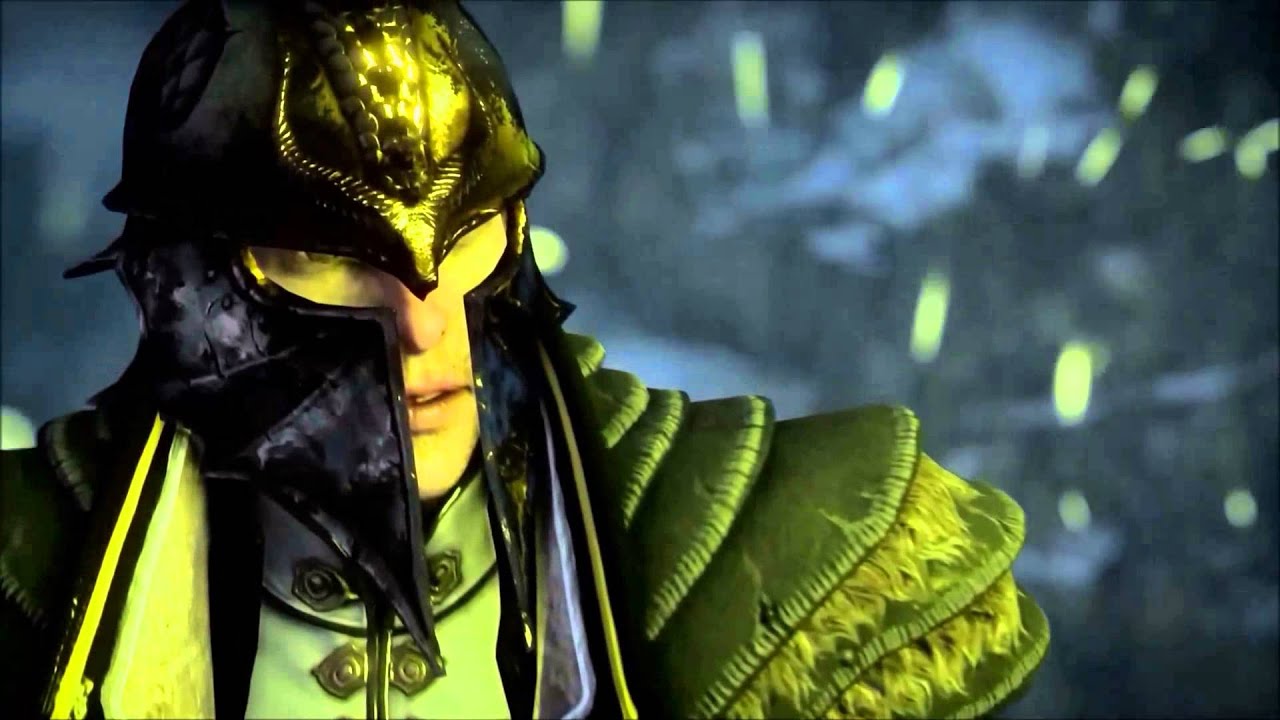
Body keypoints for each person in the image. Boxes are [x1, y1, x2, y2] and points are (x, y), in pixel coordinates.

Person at [0, 1, 1049, 718]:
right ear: (180, 284)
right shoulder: (22, 568)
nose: (426, 328)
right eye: (329, 262)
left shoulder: (799, 552)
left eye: (467, 241)